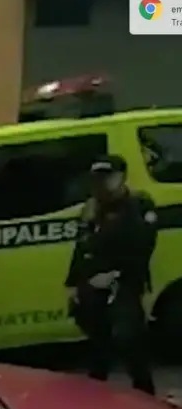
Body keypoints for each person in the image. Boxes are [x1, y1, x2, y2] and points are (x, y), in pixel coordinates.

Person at [66, 154, 158, 394]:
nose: (102, 184)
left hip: (125, 281)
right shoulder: (91, 208)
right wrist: (74, 282)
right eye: (97, 179)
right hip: (92, 284)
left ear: (122, 178)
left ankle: (144, 393)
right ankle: (98, 392)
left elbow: (143, 246)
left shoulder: (138, 205)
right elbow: (82, 246)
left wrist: (115, 274)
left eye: (108, 178)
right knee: (97, 341)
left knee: (128, 338)